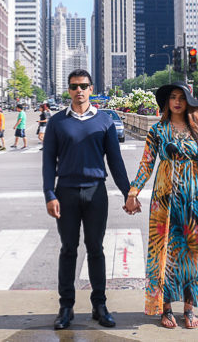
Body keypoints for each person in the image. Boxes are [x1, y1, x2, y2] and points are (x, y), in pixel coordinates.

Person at [42, 69, 132, 330]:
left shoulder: (104, 121)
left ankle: (99, 305)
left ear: (91, 89)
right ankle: (66, 307)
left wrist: (129, 194)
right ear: (68, 90)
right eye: (73, 86)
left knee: (96, 249)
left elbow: (115, 162)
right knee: (68, 249)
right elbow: (48, 162)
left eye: (83, 86)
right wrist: (49, 194)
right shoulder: (57, 123)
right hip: (66, 193)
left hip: (96, 193)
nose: (78, 90)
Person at [126, 83, 198, 330]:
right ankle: (165, 308)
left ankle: (188, 308)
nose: (177, 101)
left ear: (188, 102)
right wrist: (133, 191)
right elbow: (146, 164)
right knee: (165, 252)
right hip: (164, 200)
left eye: (181, 98)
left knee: (193, 255)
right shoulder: (157, 130)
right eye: (172, 98)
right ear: (166, 102)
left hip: (195, 199)